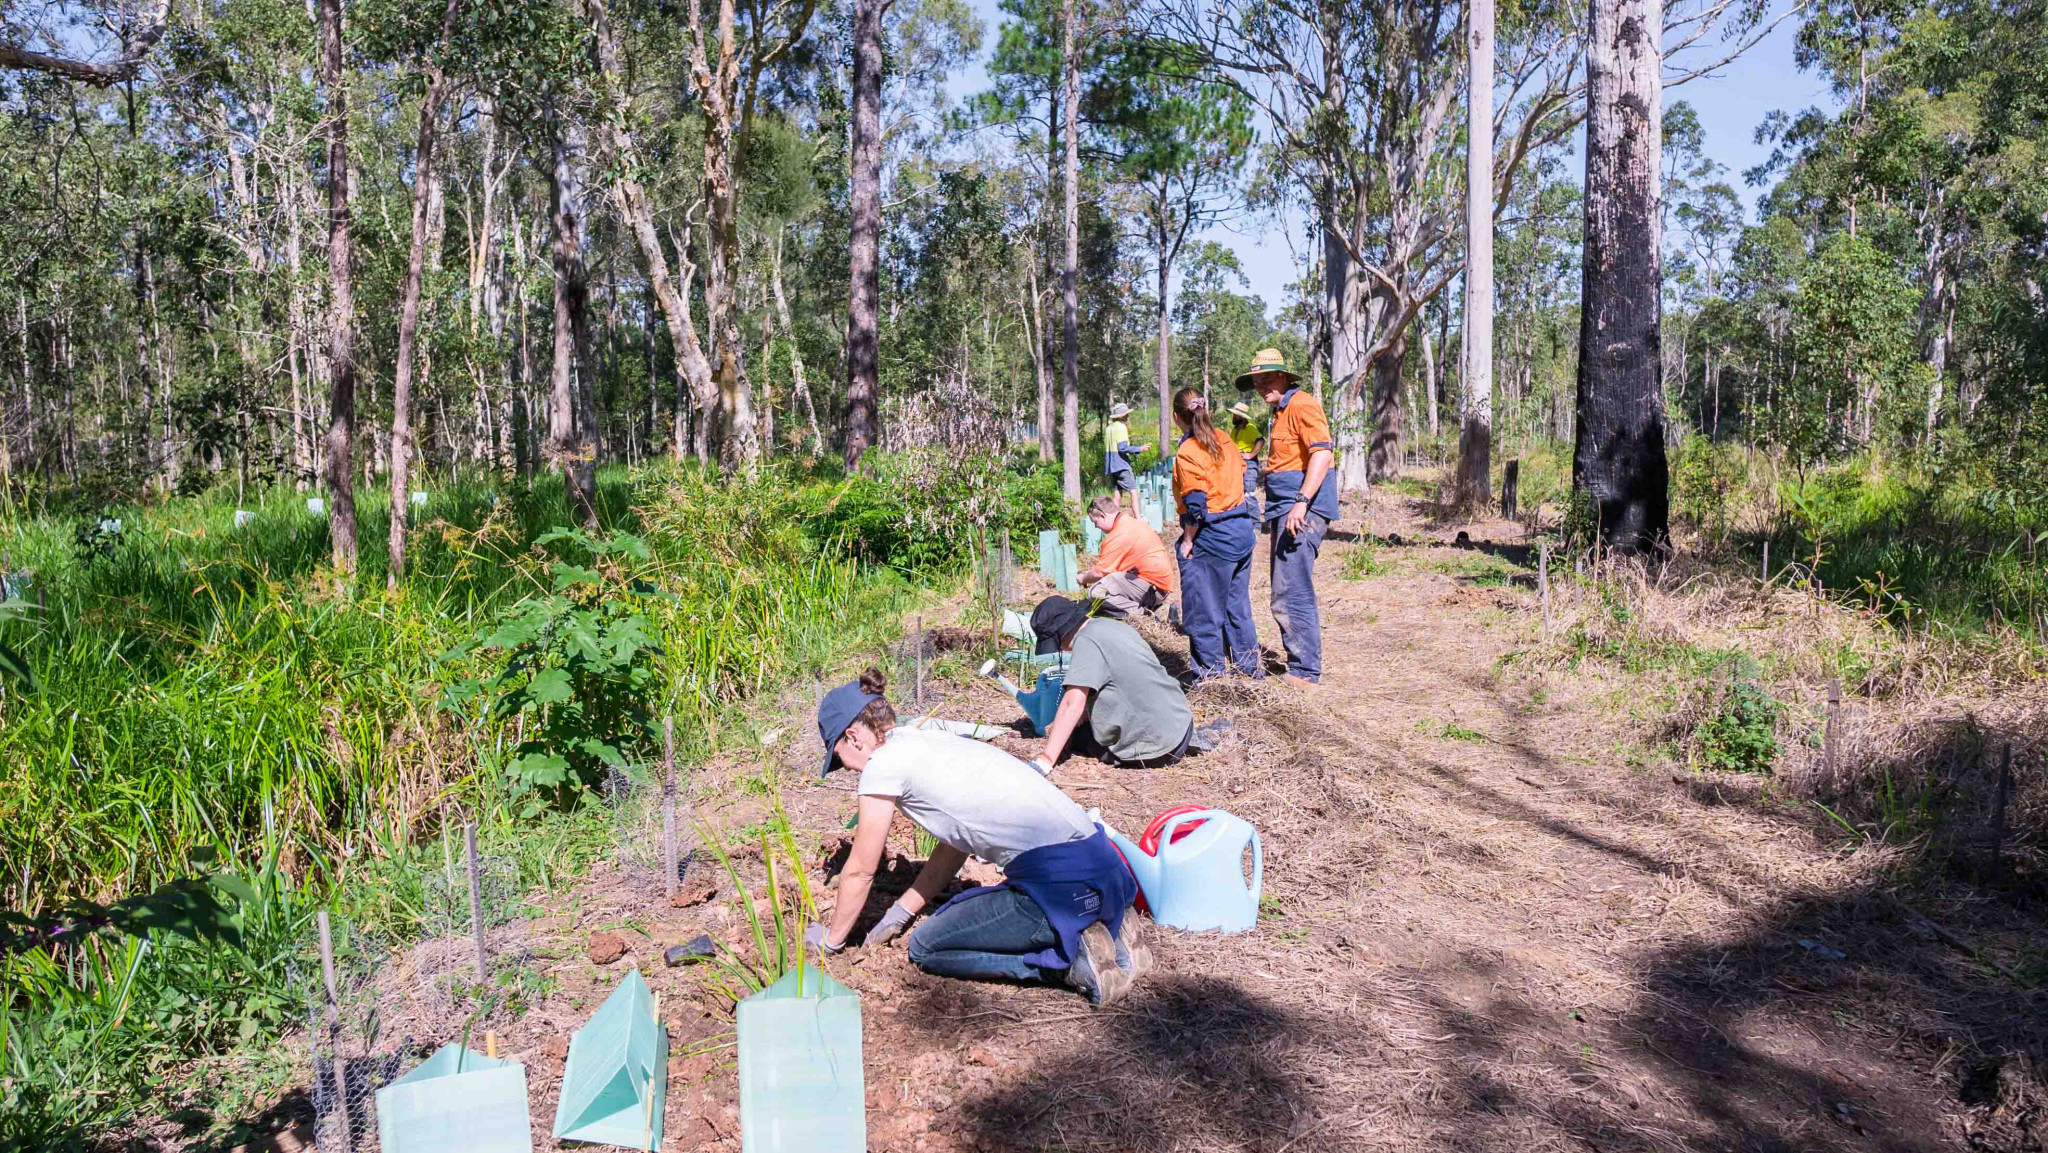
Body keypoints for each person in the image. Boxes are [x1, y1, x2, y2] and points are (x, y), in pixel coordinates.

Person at [803, 669, 1149, 1006]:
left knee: (927, 946)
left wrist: (831, 942)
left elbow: (861, 870)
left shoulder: (883, 765)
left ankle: (1070, 966)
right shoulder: (930, 743)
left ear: (853, 737)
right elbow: (955, 846)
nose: (847, 768)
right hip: (1105, 871)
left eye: (839, 757)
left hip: (1059, 886)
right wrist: (899, 912)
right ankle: (1114, 934)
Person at [1236, 348, 1336, 684]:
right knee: (1283, 589)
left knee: (1293, 589)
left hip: (1300, 510)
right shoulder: (1281, 410)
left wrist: (1301, 502)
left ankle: (1306, 671)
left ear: (1283, 376)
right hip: (1285, 509)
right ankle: (1301, 664)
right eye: (1256, 381)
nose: (1261, 385)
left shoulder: (1302, 404)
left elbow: (1322, 455)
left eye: (1267, 378)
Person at [1027, 595, 1201, 771]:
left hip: (1157, 748)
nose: (1060, 649)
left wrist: (1045, 760)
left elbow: (1072, 704)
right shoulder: (1111, 625)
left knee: (1080, 736)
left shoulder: (1086, 642)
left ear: (1059, 634)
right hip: (1181, 723)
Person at [1170, 389, 1262, 680]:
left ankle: (1212, 680)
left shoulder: (1189, 451)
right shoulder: (1224, 438)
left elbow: (1195, 504)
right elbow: (1244, 471)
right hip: (1241, 531)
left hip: (1213, 537)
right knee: (1237, 606)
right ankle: (1249, 671)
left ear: (1176, 418)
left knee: (1203, 611)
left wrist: (1187, 541)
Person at [1078, 494, 1174, 617]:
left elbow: (1099, 573)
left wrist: (1083, 578)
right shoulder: (1128, 521)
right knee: (1110, 583)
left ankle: (1145, 615)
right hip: (1158, 586)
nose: (1096, 527)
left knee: (1098, 592)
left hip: (1152, 588)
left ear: (1102, 516)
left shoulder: (1118, 534)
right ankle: (1155, 608)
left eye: (1095, 522)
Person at [1102, 402, 1148, 517]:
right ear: (1121, 416)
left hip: (1111, 466)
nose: (1128, 416)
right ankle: (1138, 518)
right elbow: (1122, 447)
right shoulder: (1121, 427)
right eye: (1126, 414)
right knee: (1133, 491)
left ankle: (1113, 519)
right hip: (1121, 465)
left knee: (1117, 494)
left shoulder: (1109, 428)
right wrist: (1140, 448)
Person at [1228, 400, 1265, 520]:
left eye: (1235, 415)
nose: (1233, 417)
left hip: (1248, 463)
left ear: (1241, 417)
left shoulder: (1250, 428)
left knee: (1249, 493)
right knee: (1239, 493)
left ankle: (1255, 524)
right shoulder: (1235, 430)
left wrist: (1251, 455)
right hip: (1236, 463)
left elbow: (1260, 440)